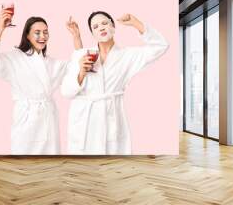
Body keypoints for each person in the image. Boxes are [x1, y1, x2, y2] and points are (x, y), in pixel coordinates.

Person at [61, 11, 169, 155]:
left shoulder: (127, 56)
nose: (101, 28)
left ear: (113, 26)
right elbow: (66, 92)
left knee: (113, 164)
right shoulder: (83, 55)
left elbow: (161, 46)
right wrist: (81, 72)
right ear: (93, 34)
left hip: (111, 117)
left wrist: (136, 23)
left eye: (105, 23)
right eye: (96, 26)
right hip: (85, 120)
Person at [0, 6, 82, 155]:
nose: (42, 36)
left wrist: (76, 37)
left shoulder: (52, 63)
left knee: (50, 161)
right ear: (27, 35)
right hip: (26, 118)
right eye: (37, 32)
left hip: (48, 119)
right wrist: (1, 28)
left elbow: (78, 66)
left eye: (46, 32)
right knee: (24, 158)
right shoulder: (15, 58)